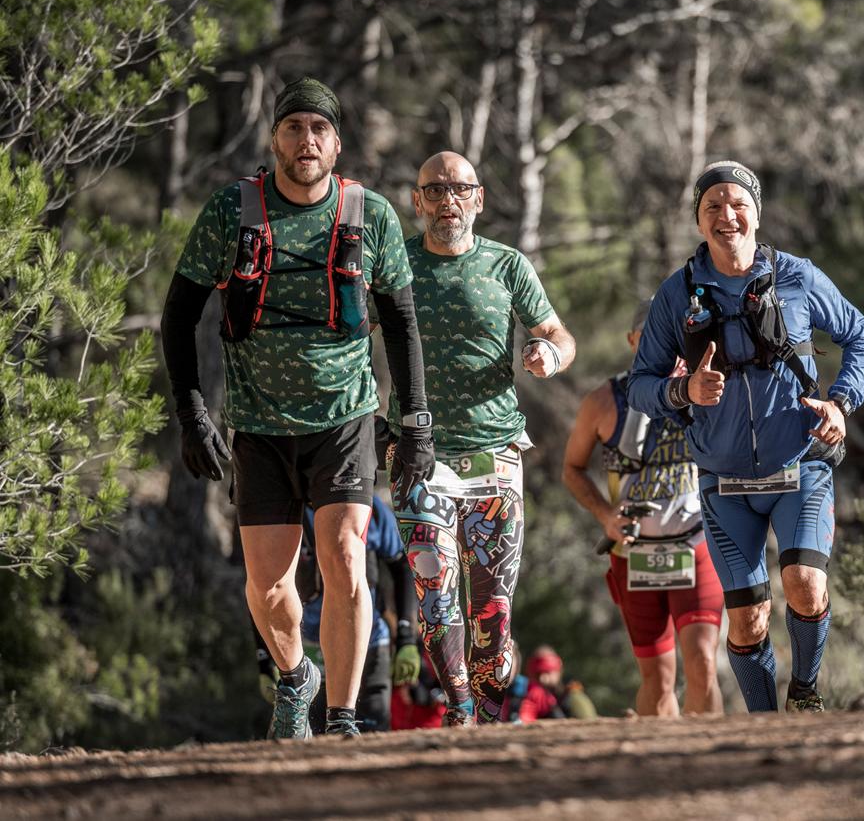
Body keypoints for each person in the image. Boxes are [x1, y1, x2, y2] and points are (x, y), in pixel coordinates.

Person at [161, 77, 435, 739]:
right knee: (269, 586)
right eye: (293, 128)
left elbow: (399, 322)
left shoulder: (370, 215)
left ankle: (340, 717)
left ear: (337, 143)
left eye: (319, 129)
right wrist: (193, 415)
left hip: (344, 421)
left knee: (345, 557)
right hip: (256, 425)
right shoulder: (232, 212)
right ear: (274, 139)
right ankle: (295, 679)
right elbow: (178, 315)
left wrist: (415, 421)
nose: (305, 140)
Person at [627, 160, 864, 713]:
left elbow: (861, 335)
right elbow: (641, 385)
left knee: (805, 582)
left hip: (801, 465)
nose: (726, 216)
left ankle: (805, 695)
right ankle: (764, 728)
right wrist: (683, 392)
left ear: (757, 214)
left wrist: (842, 402)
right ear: (699, 222)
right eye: (712, 206)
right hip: (724, 479)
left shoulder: (797, 276)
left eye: (737, 204)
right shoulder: (676, 294)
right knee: (746, 618)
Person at [389, 150, 576, 727]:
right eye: (435, 190)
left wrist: (550, 354)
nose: (448, 200)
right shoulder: (395, 266)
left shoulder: (507, 265)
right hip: (420, 453)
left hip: (495, 457)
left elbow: (558, 334)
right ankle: (461, 708)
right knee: (434, 596)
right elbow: (351, 331)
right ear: (418, 201)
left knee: (490, 611)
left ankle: (492, 720)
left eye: (459, 189)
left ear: (478, 199)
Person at [562, 299, 724, 717]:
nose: (664, 346)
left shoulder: (708, 390)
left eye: (672, 336)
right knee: (658, 677)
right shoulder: (603, 402)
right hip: (634, 556)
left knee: (703, 660)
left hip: (698, 547)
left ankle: (710, 763)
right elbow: (572, 469)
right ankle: (659, 764)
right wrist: (605, 516)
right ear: (633, 340)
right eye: (651, 335)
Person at [255, 495, 421, 732]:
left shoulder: (368, 506)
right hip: (306, 651)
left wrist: (406, 639)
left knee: (373, 734)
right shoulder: (287, 511)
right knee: (317, 737)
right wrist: (266, 658)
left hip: (370, 643)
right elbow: (263, 589)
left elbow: (402, 566)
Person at [517, 646, 598, 723]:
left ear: (558, 671)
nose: (542, 678)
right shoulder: (525, 697)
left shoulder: (573, 698)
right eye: (537, 674)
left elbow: (590, 725)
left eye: (547, 672)